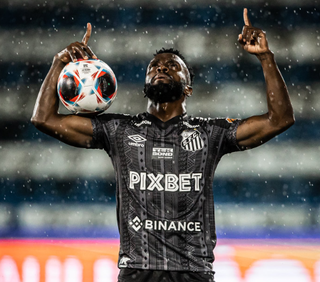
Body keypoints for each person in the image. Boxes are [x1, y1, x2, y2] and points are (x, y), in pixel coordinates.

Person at [31, 8, 294, 282]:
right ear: (145, 83)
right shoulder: (119, 130)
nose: (161, 68)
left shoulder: (210, 133)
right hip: (137, 272)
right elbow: (43, 118)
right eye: (154, 66)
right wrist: (59, 62)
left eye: (172, 66)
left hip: (194, 272)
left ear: (188, 87)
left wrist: (265, 57)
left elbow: (280, 120)